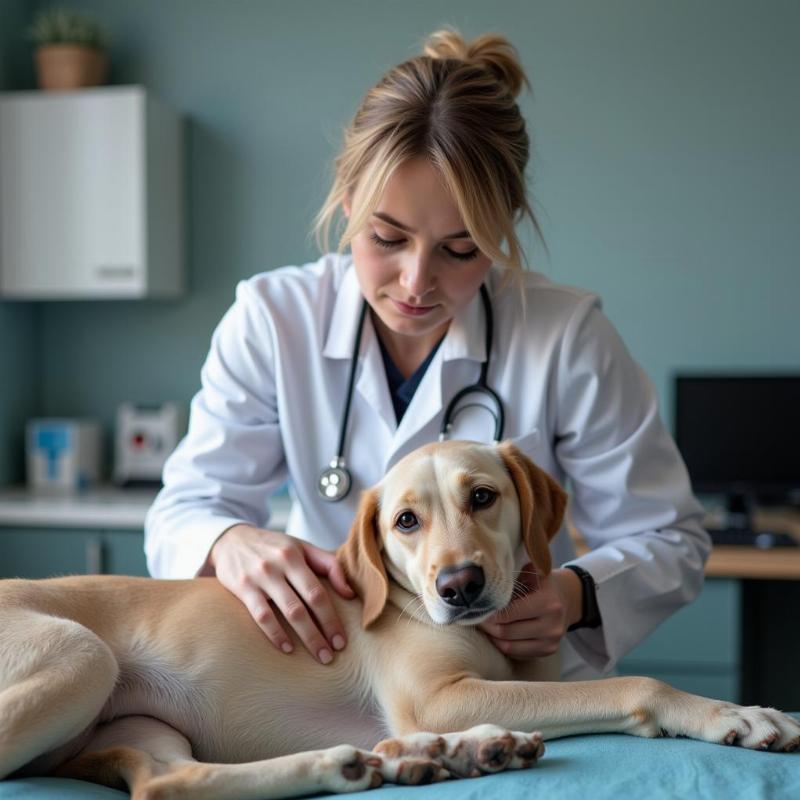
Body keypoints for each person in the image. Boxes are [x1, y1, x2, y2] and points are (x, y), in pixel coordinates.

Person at [144, 29, 710, 681]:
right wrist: (229, 540)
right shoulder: (273, 320)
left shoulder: (566, 336)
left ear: (502, 230)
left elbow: (670, 539)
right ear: (349, 200)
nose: (416, 282)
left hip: (513, 680)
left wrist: (576, 596)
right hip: (342, 681)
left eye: (460, 249)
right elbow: (184, 512)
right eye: (387, 238)